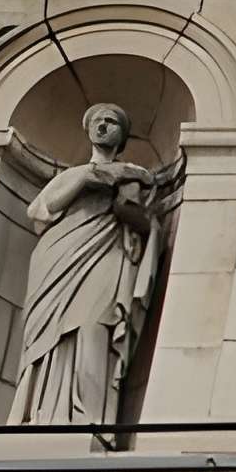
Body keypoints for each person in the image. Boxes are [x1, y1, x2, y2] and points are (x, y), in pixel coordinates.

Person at [12, 101, 171, 430]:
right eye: (97, 121)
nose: (102, 126)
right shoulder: (74, 175)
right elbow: (40, 213)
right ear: (88, 131)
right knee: (49, 337)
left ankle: (89, 421)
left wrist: (127, 198)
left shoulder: (132, 178)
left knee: (92, 327)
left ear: (122, 136)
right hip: (58, 259)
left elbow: (144, 222)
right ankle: (40, 415)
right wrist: (90, 177)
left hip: (106, 255)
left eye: (111, 122)